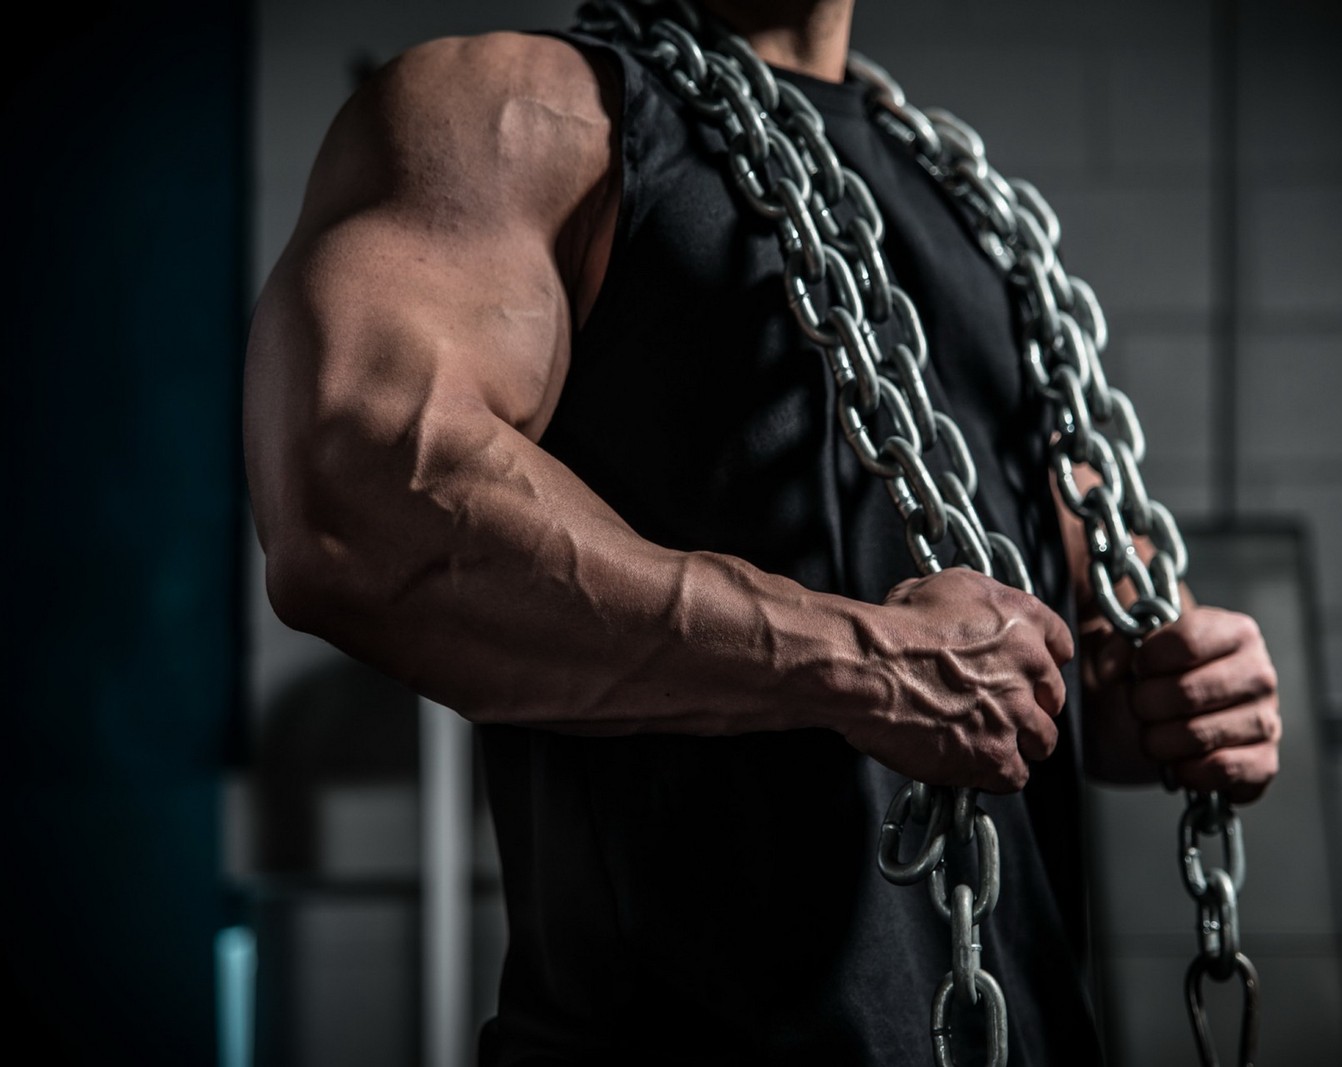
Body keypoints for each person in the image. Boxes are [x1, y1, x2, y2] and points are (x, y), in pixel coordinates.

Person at [242, 1, 1282, 1063]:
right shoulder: (518, 110)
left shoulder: (968, 200)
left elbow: (1076, 627)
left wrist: (1172, 686)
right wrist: (858, 661)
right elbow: (354, 491)